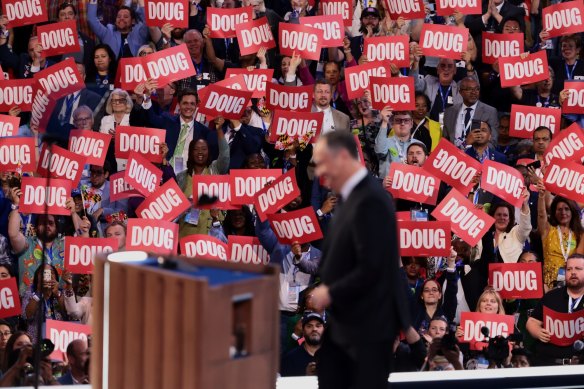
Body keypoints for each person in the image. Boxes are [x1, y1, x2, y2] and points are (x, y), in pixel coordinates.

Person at [309, 131, 421, 389]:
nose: (320, 173)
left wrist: (329, 291)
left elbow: (374, 266)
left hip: (367, 328)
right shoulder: (354, 196)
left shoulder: (370, 199)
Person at [526, 254, 584, 365]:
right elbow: (532, 322)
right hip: (548, 362)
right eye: (569, 269)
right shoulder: (551, 296)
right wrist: (538, 332)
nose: (573, 272)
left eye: (578, 269)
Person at [537, 187, 584, 289]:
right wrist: (541, 196)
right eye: (559, 209)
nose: (563, 212)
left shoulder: (580, 234)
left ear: (572, 212)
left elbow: (579, 258)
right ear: (554, 212)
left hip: (573, 282)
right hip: (549, 285)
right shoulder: (548, 231)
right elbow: (541, 215)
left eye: (567, 209)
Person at [443, 77, 499, 149]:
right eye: (469, 89)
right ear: (460, 92)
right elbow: (445, 140)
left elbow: (493, 142)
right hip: (454, 156)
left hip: (476, 157)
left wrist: (476, 154)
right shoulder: (449, 112)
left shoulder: (490, 112)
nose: (474, 92)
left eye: (477, 89)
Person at [280, 312, 324, 377]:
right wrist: (306, 376)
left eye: (318, 326)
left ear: (324, 329)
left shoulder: (334, 355)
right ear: (303, 331)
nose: (314, 329)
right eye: (309, 326)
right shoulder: (290, 359)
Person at [375, 109, 415, 178]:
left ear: (411, 124)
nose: (402, 123)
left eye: (406, 120)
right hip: (387, 187)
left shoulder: (418, 144)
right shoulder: (385, 142)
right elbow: (379, 151)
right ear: (392, 123)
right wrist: (384, 122)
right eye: (398, 120)